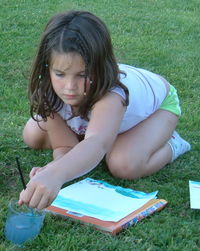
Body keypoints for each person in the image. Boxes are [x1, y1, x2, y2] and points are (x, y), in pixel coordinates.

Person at [19, 10, 191, 210]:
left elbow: (97, 143)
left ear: (100, 68)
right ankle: (104, 129)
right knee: (32, 134)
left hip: (158, 110)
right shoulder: (49, 86)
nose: (70, 86)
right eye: (60, 74)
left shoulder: (112, 94)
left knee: (123, 164)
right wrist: (54, 168)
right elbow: (64, 147)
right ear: (47, 67)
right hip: (100, 116)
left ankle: (173, 142)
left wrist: (57, 174)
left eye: (82, 74)